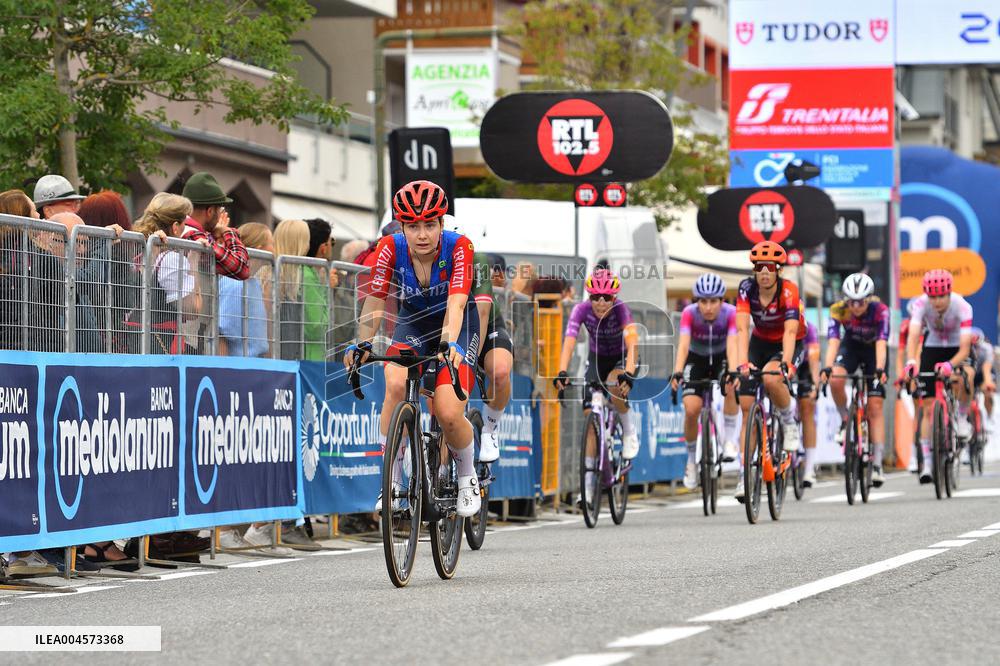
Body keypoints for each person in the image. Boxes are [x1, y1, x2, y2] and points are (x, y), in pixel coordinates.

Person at [344, 180, 483, 518]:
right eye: (413, 226)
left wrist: (449, 343)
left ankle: (467, 476)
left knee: (449, 413)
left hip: (458, 325)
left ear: (441, 224)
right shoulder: (390, 248)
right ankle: (390, 482)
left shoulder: (460, 247)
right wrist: (362, 343)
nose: (422, 234)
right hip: (414, 324)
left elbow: (458, 302)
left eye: (430, 225)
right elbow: (375, 300)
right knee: (393, 383)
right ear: (403, 226)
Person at [554, 269, 641, 481]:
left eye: (607, 298)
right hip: (597, 358)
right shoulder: (581, 310)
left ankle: (629, 432)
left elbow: (632, 344)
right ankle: (589, 486)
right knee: (590, 420)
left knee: (613, 383)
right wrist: (562, 371)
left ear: (614, 298)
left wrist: (628, 373)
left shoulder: (621, 310)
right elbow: (569, 342)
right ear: (589, 297)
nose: (601, 302)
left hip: (622, 358)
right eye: (595, 297)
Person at [734, 241, 804, 502]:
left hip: (788, 342)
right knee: (746, 406)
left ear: (778, 270)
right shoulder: (746, 288)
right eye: (759, 267)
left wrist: (786, 362)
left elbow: (790, 331)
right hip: (759, 342)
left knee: (772, 378)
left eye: (770, 267)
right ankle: (744, 475)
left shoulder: (789, 291)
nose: (764, 272)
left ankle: (788, 421)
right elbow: (741, 328)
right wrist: (742, 362)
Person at [670, 273, 740, 490]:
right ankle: (691, 461)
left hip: (721, 357)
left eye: (713, 301)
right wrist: (678, 371)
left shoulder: (731, 313)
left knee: (729, 383)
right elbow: (683, 345)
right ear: (696, 301)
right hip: (696, 359)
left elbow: (732, 345)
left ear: (722, 301)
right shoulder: (689, 314)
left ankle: (729, 440)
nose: (708, 307)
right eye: (703, 301)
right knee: (691, 409)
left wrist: (734, 370)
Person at [904, 269, 974, 484]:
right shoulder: (920, 304)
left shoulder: (962, 306)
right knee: (927, 406)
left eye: (940, 296)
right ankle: (927, 462)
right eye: (932, 296)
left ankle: (961, 418)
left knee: (964, 377)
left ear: (949, 293)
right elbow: (914, 335)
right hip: (933, 345)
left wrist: (950, 365)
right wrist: (911, 362)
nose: (936, 301)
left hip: (956, 348)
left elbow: (964, 348)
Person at [820, 273, 890, 487]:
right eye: (852, 301)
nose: (856, 306)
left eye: (861, 301)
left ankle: (877, 464)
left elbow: (881, 342)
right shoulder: (838, 310)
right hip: (850, 347)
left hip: (873, 352)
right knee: (836, 380)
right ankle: (844, 420)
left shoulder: (880, 311)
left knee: (875, 407)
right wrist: (827, 366)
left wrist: (879, 368)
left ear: (869, 299)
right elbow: (833, 341)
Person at [132, 194, 206, 354]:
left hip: (136, 342)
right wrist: (194, 260)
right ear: (175, 227)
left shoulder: (140, 250)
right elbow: (191, 310)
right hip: (160, 349)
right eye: (184, 223)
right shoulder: (171, 259)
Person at [179, 172, 250, 280]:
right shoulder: (194, 236)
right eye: (220, 210)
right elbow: (242, 268)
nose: (220, 215)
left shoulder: (182, 229)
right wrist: (227, 231)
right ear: (210, 211)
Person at [218, 223, 273, 358]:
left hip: (252, 365)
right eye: (272, 243)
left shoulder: (252, 282)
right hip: (239, 367)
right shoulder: (235, 284)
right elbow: (223, 334)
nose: (275, 248)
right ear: (260, 248)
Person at [302, 218, 333, 362]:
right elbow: (316, 327)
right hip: (310, 358)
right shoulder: (307, 276)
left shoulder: (309, 273)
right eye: (331, 242)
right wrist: (328, 290)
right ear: (323, 247)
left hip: (312, 356)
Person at [796, 318, 822, 487]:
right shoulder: (779, 325)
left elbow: (813, 360)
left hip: (804, 366)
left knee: (807, 411)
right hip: (786, 362)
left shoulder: (810, 329)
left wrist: (815, 384)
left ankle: (809, 468)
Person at [970, 326, 996, 419]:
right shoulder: (963, 347)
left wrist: (988, 382)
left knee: (988, 392)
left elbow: (987, 367)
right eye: (972, 346)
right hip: (971, 372)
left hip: (983, 373)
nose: (975, 349)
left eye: (976, 346)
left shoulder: (987, 348)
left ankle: (989, 417)